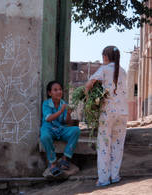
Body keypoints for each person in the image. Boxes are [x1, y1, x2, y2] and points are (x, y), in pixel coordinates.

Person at [85, 46, 128, 186]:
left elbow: (89, 84)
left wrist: (87, 96)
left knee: (104, 145)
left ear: (105, 57)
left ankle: (103, 179)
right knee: (117, 145)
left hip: (107, 113)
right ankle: (114, 176)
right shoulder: (123, 71)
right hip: (122, 113)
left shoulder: (103, 70)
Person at [40, 81, 81, 177]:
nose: (59, 92)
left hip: (60, 129)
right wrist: (61, 111)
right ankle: (53, 162)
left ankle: (65, 158)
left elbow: (67, 122)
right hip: (49, 128)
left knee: (76, 130)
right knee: (44, 137)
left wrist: (68, 113)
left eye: (60, 89)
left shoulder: (63, 104)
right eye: (55, 90)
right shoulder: (46, 104)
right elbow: (49, 118)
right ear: (50, 93)